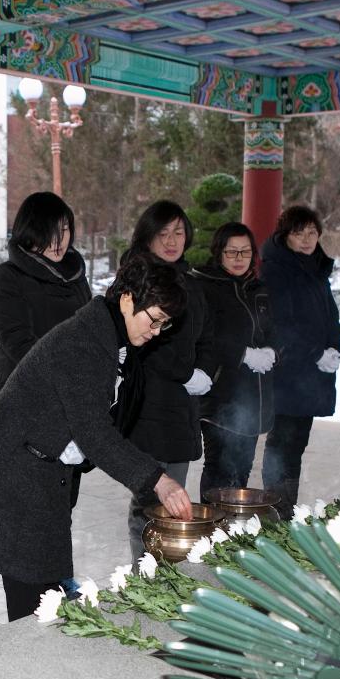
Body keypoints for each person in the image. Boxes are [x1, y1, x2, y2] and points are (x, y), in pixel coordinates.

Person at [0, 256, 193, 622]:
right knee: (33, 599)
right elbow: (94, 432)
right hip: (10, 473)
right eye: (154, 320)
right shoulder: (83, 341)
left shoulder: (109, 336)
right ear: (127, 298)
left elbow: (93, 419)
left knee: (44, 592)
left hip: (40, 470)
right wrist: (157, 481)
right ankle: (18, 673)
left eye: (165, 324)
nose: (157, 331)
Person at [119, 200, 216, 559]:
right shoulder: (138, 279)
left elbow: (208, 336)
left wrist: (204, 370)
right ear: (147, 237)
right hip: (149, 405)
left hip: (182, 406)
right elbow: (143, 342)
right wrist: (184, 373)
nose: (172, 240)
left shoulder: (190, 282)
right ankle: (142, 574)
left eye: (178, 232)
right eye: (163, 234)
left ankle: (164, 568)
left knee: (174, 492)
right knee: (150, 496)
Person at [260, 206, 340, 515]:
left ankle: (285, 508)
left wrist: (335, 348)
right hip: (287, 373)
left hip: (311, 376)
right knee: (281, 443)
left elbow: (330, 317)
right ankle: (273, 511)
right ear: (286, 236)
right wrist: (313, 353)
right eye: (298, 233)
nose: (307, 239)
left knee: (297, 443)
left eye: (312, 232)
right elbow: (280, 324)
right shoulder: (276, 269)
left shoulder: (317, 269)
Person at [192, 222, 275, 497]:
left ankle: (233, 529)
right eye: (232, 252)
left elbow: (274, 330)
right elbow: (206, 335)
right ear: (218, 253)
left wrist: (273, 351)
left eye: (245, 251)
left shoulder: (258, 288)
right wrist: (243, 354)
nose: (239, 259)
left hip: (252, 398)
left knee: (241, 468)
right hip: (220, 396)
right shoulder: (205, 286)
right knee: (219, 468)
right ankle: (212, 532)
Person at [0, 191, 91, 401]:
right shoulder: (8, 277)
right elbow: (16, 340)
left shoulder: (75, 274)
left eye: (64, 230)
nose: (58, 240)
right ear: (30, 231)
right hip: (22, 397)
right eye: (49, 231)